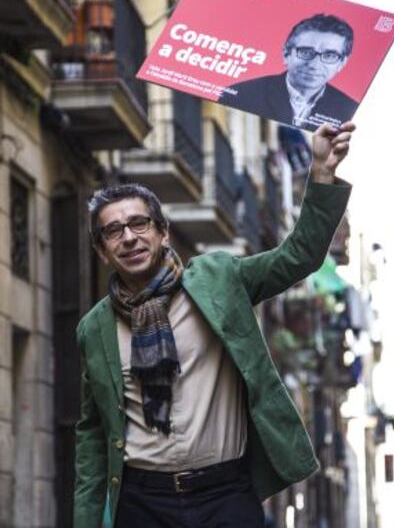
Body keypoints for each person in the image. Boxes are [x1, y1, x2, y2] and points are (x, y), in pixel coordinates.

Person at [74, 121, 355, 528]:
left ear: (163, 232)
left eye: (139, 224)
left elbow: (300, 256)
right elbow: (92, 435)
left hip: (224, 494)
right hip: (141, 501)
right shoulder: (93, 328)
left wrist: (322, 173)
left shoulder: (219, 280)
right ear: (102, 251)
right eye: (113, 231)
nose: (129, 238)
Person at [219, 14, 358, 131]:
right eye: (305, 52)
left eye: (330, 55)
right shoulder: (240, 93)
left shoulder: (348, 110)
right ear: (286, 53)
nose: (314, 65)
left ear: (342, 63)